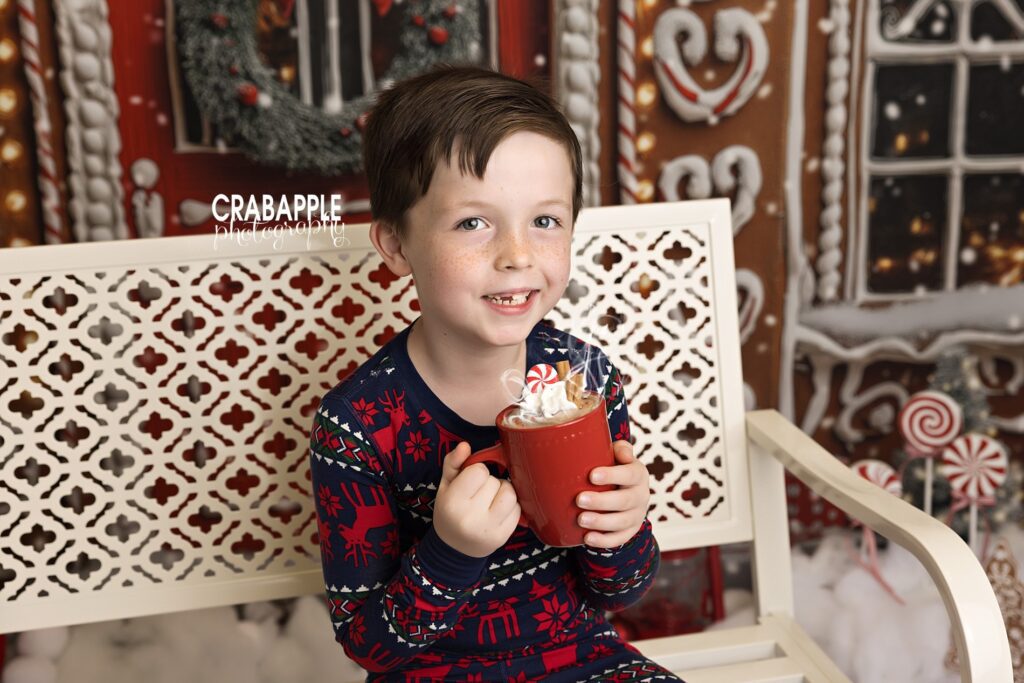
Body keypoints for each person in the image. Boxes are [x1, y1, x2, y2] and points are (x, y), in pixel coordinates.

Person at [309, 65, 681, 682]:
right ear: (397, 246)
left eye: (545, 220)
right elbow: (369, 645)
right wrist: (451, 551)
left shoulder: (583, 378)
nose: (517, 255)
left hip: (582, 660)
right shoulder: (357, 427)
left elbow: (619, 593)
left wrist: (621, 531)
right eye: (473, 223)